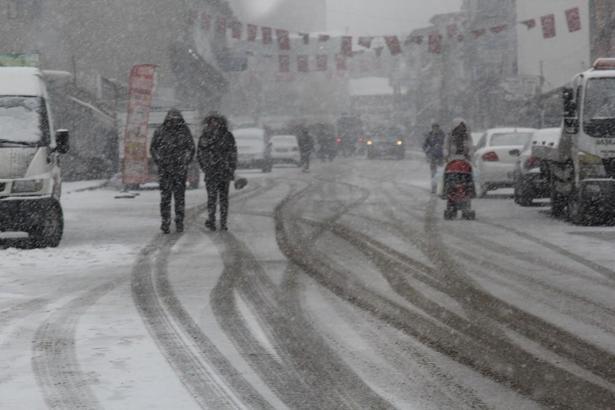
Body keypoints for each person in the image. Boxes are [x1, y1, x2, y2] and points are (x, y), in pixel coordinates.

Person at [150, 109, 195, 234]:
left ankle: (179, 221)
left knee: (179, 197)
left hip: (179, 169)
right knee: (166, 198)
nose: (173, 122)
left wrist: (186, 161)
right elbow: (153, 148)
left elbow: (191, 148)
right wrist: (159, 160)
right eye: (171, 119)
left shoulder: (184, 131)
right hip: (165, 170)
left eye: (176, 119)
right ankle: (165, 221)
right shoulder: (160, 131)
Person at [197, 112, 237, 232]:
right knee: (212, 199)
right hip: (212, 172)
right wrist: (205, 167)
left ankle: (223, 222)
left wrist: (231, 167)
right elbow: (200, 154)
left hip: (223, 172)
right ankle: (212, 220)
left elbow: (233, 153)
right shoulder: (205, 136)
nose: (214, 124)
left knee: (223, 199)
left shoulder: (227, 136)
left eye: (216, 121)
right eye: (212, 122)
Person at [422, 123, 446, 193]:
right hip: (433, 156)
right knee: (433, 173)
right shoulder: (429, 135)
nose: (435, 129)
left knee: (441, 172)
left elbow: (446, 144)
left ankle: (441, 187)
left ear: (439, 128)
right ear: (432, 128)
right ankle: (434, 187)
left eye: (437, 128)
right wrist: (427, 152)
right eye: (434, 128)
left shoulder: (443, 135)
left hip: (442, 156)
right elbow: (424, 145)